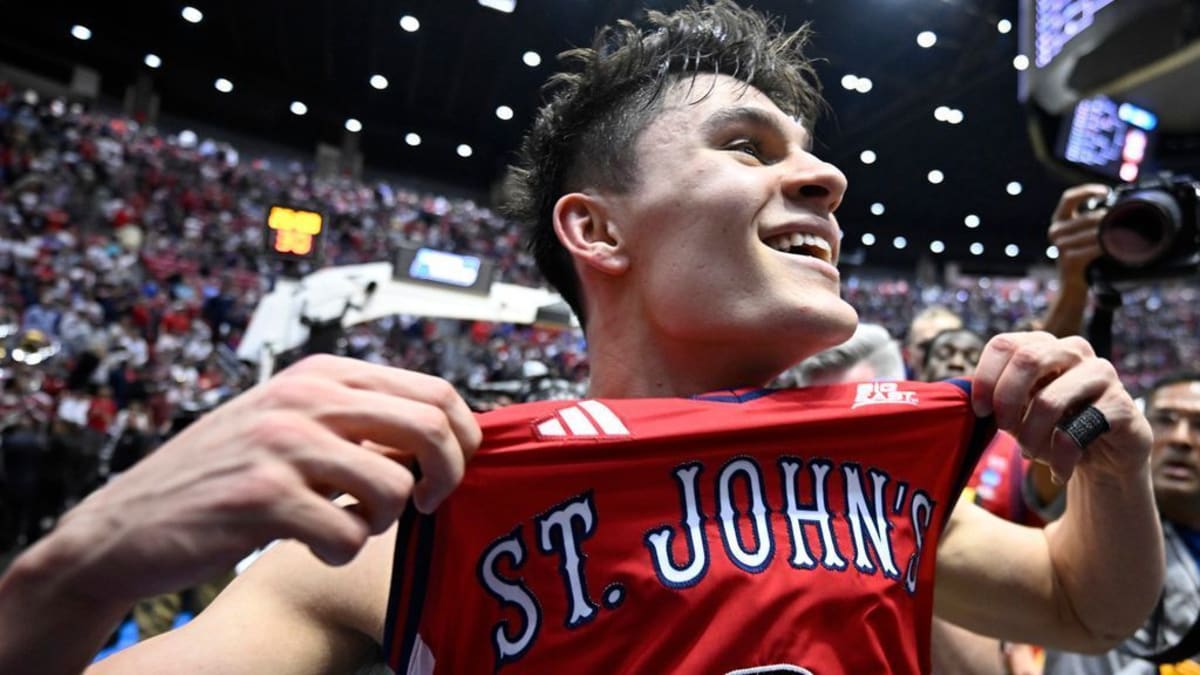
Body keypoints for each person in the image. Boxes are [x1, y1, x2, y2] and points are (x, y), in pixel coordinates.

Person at [0, 3, 1162, 674]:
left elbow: (1084, 609)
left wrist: (1118, 473)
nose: (830, 177)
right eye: (750, 149)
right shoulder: (412, 511)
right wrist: (78, 564)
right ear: (595, 228)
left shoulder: (878, 463)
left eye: (809, 153)